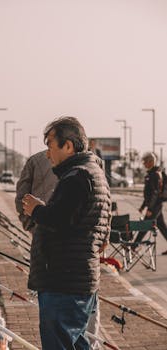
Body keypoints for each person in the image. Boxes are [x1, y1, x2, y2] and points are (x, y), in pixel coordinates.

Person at [22, 116, 111, 350]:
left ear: (68, 146)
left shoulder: (77, 176)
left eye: (50, 146)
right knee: (77, 343)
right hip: (77, 281)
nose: (48, 154)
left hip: (64, 283)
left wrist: (36, 209)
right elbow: (97, 225)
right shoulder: (94, 172)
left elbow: (60, 220)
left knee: (58, 343)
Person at [15, 150, 58, 234]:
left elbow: (22, 199)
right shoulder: (89, 164)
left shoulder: (36, 160)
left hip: (40, 229)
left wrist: (31, 225)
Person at [134, 152, 167, 255]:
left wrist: (150, 209)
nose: (144, 164)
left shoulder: (155, 174)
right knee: (162, 227)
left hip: (155, 206)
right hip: (155, 205)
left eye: (145, 162)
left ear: (151, 162)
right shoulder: (152, 173)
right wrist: (142, 206)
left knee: (145, 225)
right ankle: (134, 245)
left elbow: (155, 193)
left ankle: (134, 246)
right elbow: (148, 194)